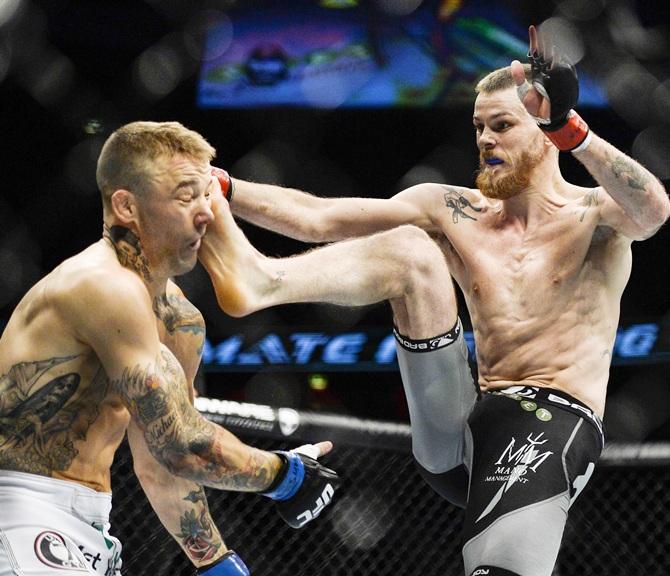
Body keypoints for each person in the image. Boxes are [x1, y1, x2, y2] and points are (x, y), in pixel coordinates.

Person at [198, 26, 669, 576]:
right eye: (478, 128)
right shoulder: (451, 209)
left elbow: (653, 211)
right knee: (410, 251)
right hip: (457, 427)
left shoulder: (595, 217)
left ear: (544, 133)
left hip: (549, 422)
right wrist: (223, 185)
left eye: (501, 126)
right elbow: (317, 216)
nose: (485, 141)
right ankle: (261, 281)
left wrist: (574, 131)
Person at [0, 121, 340, 576]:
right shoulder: (101, 285)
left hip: (91, 524)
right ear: (126, 206)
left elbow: (163, 457)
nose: (206, 214)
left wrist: (214, 561)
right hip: (22, 507)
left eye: (206, 195)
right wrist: (285, 476)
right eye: (185, 196)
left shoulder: (181, 320)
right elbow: (185, 446)